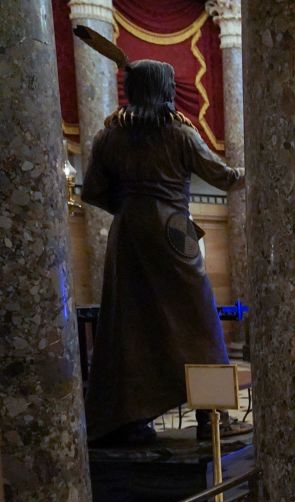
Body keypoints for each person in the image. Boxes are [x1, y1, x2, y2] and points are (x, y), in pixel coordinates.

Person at [81, 59, 247, 445]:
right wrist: (256, 168)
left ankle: (129, 418)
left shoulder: (109, 137)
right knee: (200, 319)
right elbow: (223, 177)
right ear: (165, 90)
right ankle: (212, 417)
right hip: (175, 229)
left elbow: (90, 191)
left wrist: (128, 209)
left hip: (126, 234)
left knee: (130, 324)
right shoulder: (178, 134)